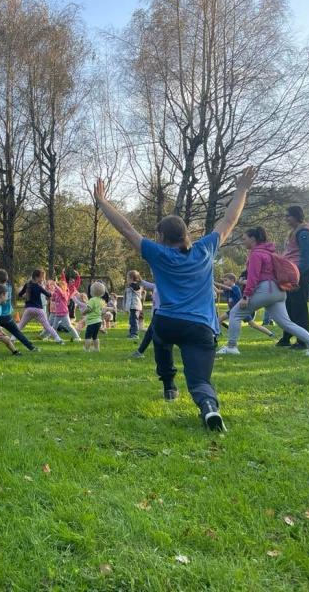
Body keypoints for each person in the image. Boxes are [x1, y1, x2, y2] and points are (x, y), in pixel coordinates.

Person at [94, 167, 259, 431]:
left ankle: (169, 384)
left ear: (161, 237)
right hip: (201, 327)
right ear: (185, 234)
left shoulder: (158, 253)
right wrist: (241, 190)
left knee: (160, 337)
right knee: (200, 381)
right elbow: (229, 221)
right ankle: (208, 407)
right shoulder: (205, 249)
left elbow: (126, 229)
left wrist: (103, 202)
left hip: (169, 321)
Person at [217, 227, 309, 356]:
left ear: (253, 239)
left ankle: (231, 347)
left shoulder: (256, 254)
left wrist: (246, 296)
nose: (243, 242)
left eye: (244, 239)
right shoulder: (270, 252)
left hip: (266, 290)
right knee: (286, 323)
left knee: (235, 313)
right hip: (279, 291)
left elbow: (253, 278)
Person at [277, 206, 309, 349]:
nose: (286, 219)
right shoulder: (294, 232)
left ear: (296, 216)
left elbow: (307, 257)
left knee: (299, 307)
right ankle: (287, 337)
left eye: (288, 216)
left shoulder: (304, 232)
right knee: (288, 307)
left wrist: (296, 276)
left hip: (301, 274)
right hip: (290, 274)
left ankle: (303, 341)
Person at [0, 257, 38, 352]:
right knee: (17, 332)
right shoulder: (8, 285)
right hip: (7, 316)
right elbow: (0, 274)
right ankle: (31, 347)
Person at [214, 273, 274, 338]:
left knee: (253, 325)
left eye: (226, 280)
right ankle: (218, 333)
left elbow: (228, 288)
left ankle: (270, 333)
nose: (224, 282)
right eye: (224, 281)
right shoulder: (227, 291)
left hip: (241, 310)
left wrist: (215, 283)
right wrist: (210, 283)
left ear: (232, 280)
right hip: (232, 310)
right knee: (219, 319)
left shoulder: (235, 288)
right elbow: (218, 291)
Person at [17, 269, 64, 343]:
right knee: (47, 326)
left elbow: (19, 294)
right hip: (39, 310)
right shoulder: (38, 286)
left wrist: (25, 296)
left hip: (28, 309)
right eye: (42, 277)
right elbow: (48, 295)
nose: (42, 279)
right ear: (37, 277)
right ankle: (58, 339)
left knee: (20, 326)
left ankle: (12, 339)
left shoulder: (27, 285)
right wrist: (53, 292)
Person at [49, 270, 82, 342]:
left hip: (64, 313)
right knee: (54, 327)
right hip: (58, 314)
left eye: (59, 286)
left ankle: (77, 337)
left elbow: (61, 291)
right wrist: (53, 294)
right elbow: (54, 298)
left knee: (69, 326)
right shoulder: (57, 293)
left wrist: (56, 285)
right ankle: (51, 338)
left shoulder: (65, 293)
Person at [131, 281, 159, 359]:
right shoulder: (157, 284)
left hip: (162, 313)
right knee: (150, 332)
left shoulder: (165, 285)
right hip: (157, 314)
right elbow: (148, 285)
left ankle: (140, 351)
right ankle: (140, 351)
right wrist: (138, 280)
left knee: (152, 333)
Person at [124, 271, 143, 339]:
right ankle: (131, 333)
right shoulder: (135, 286)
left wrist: (127, 308)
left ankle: (135, 334)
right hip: (134, 306)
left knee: (134, 320)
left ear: (131, 278)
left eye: (127, 278)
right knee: (132, 320)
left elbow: (130, 298)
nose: (126, 279)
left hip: (134, 306)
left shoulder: (133, 287)